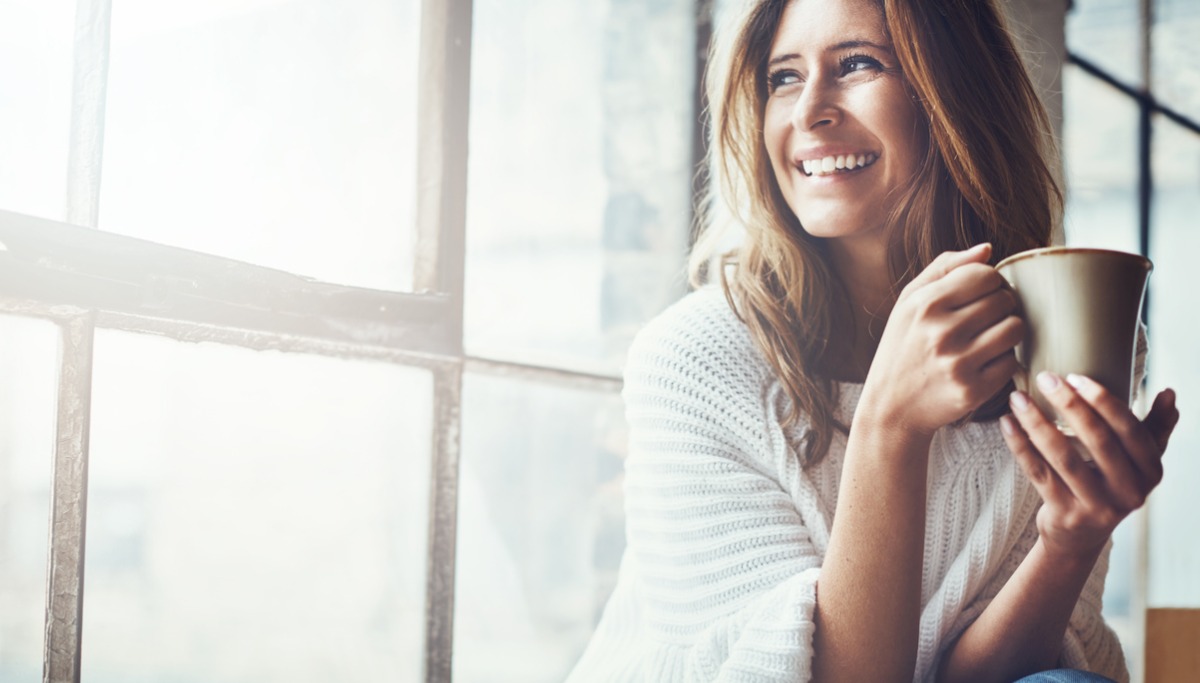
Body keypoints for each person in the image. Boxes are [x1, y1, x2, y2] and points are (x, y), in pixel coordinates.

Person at [565, 0, 1180, 681]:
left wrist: (1070, 539)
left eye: (857, 64)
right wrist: (890, 422)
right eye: (784, 78)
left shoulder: (1061, 342)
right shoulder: (695, 359)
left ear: (956, 93)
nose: (808, 113)